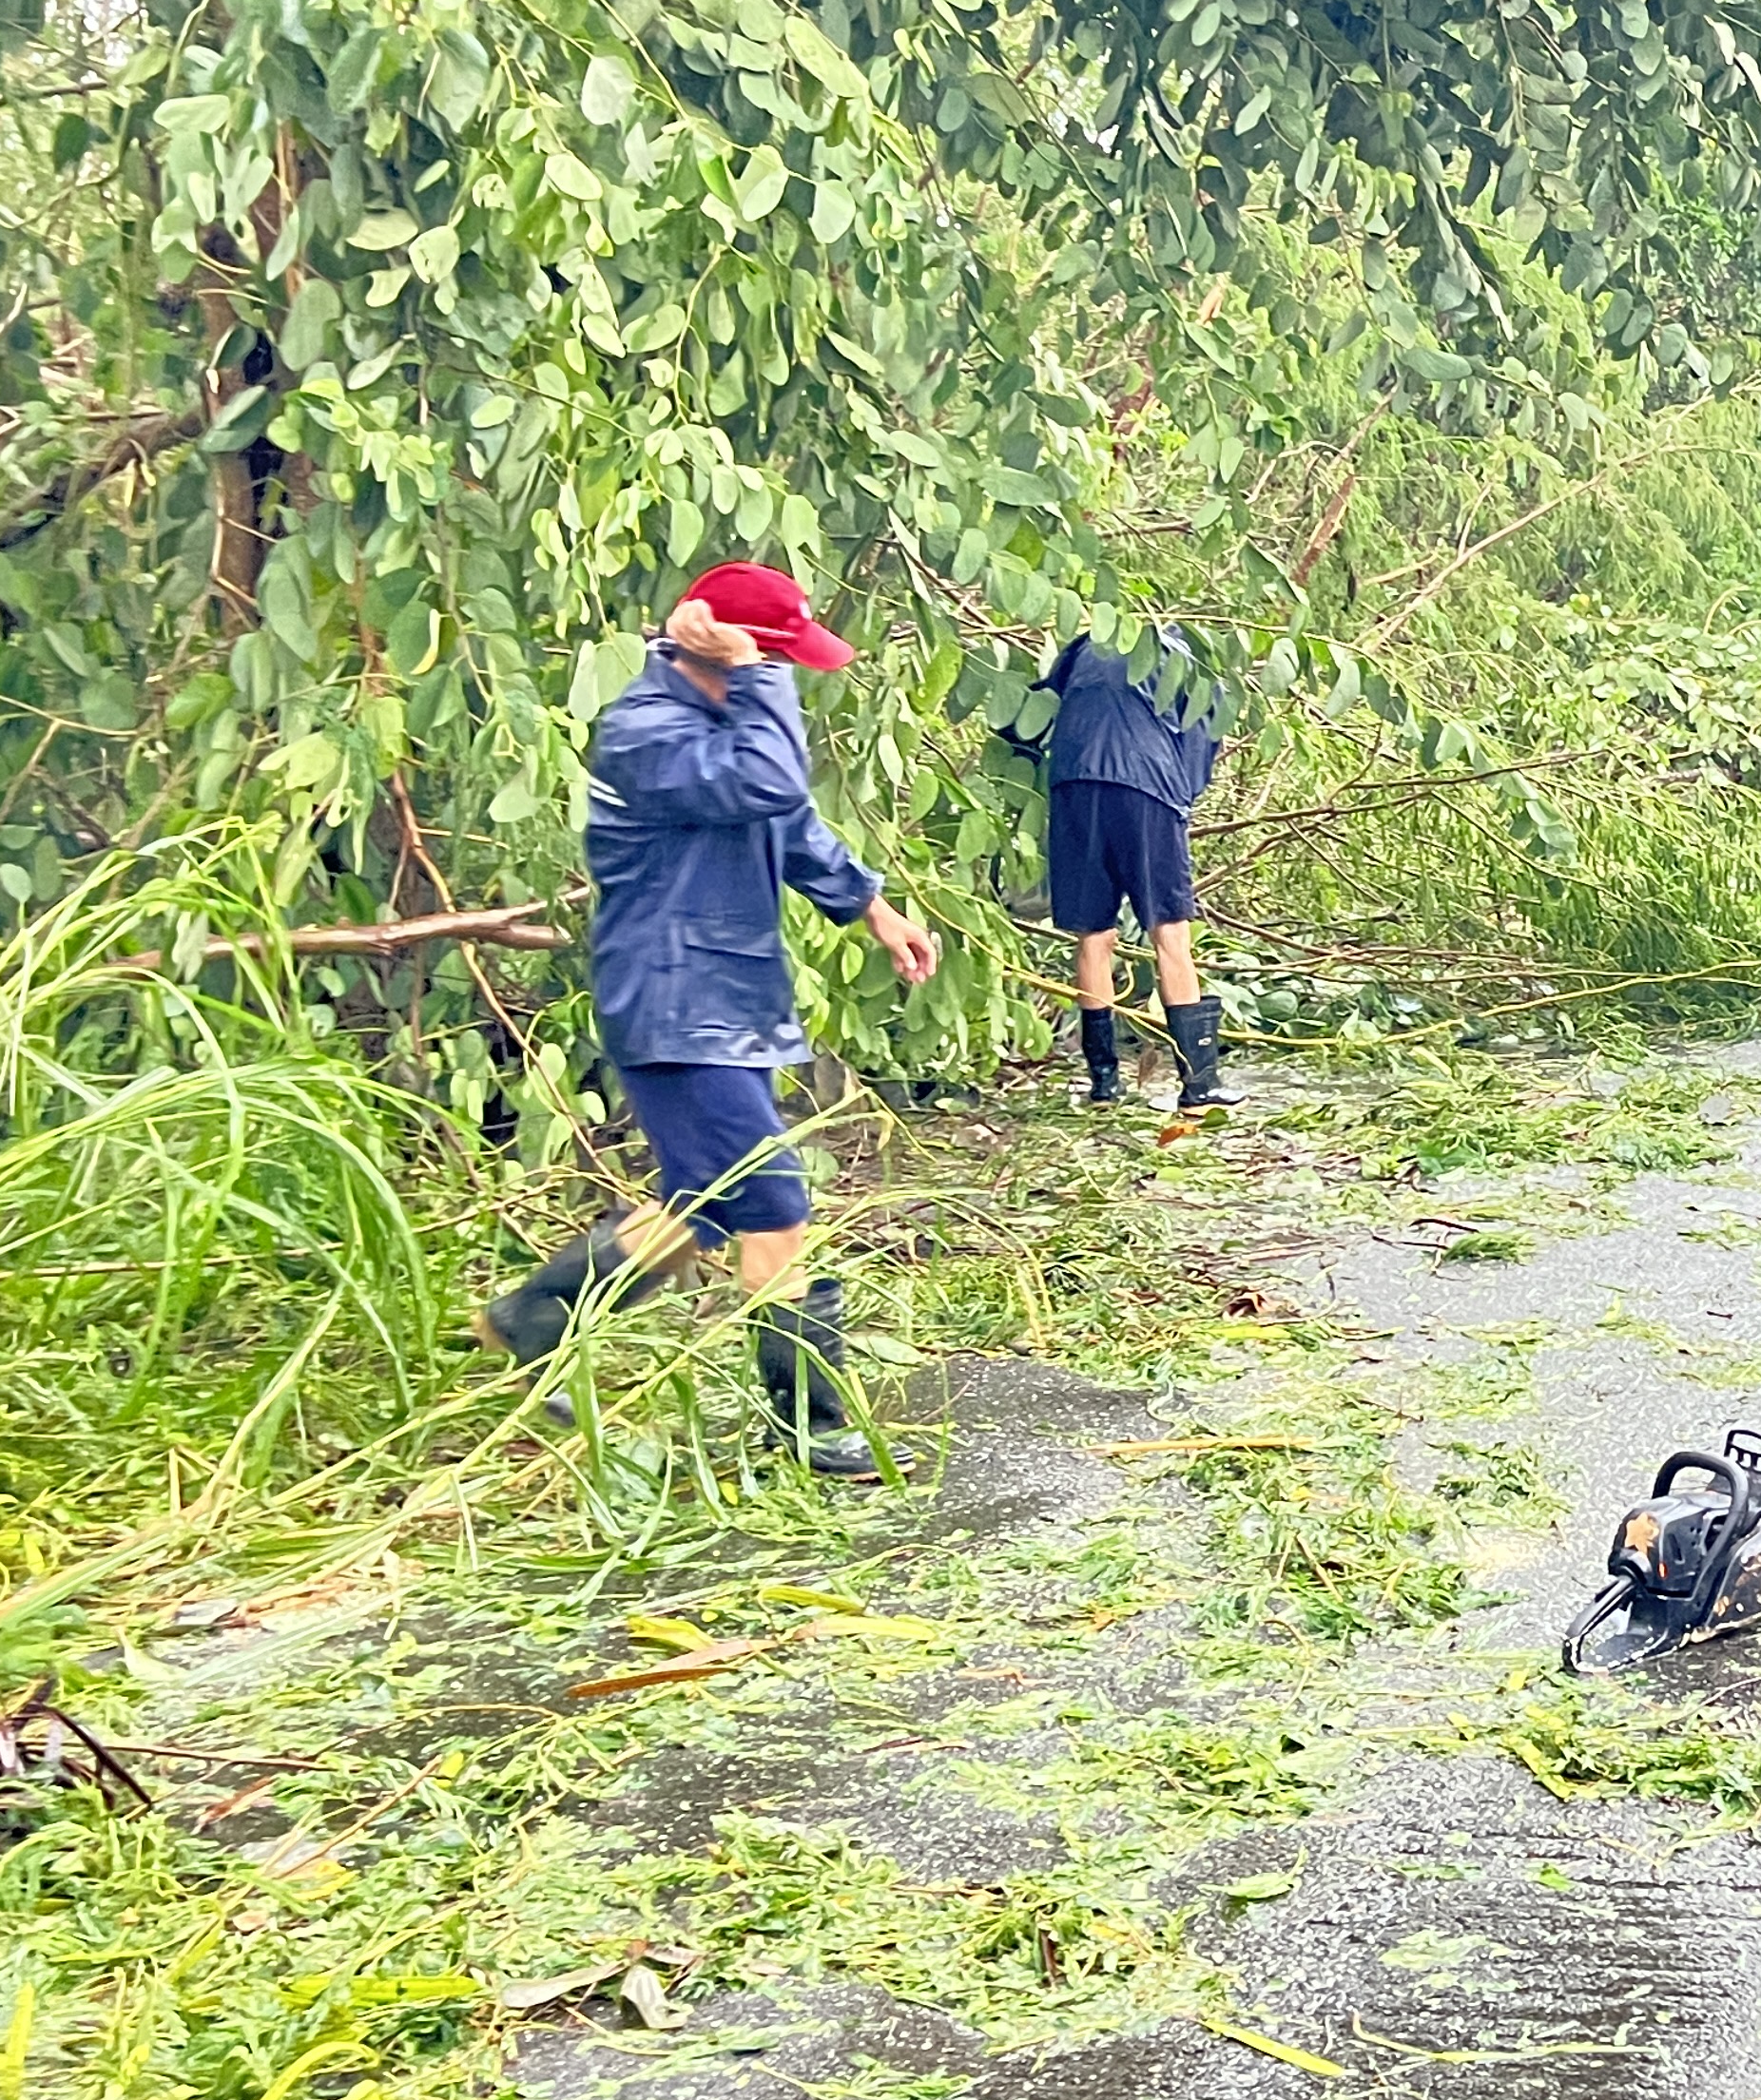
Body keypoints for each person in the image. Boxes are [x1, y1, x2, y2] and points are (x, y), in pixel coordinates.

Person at [474, 562, 942, 1479]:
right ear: (719, 650)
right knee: (772, 1202)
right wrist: (760, 678)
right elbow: (769, 783)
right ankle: (808, 1424)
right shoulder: (646, 732)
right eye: (779, 663)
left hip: (717, 999)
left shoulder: (720, 726)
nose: (791, 679)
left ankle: (535, 1314)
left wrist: (875, 908)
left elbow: (791, 824)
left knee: (710, 1204)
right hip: (673, 1001)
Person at [1013, 628, 1224, 1106]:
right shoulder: (1184, 655)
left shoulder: (1082, 647)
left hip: (1073, 784)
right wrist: (1182, 796)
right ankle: (1200, 1083)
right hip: (1146, 786)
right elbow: (1203, 731)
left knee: (1094, 933)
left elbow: (1031, 715)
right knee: (1169, 930)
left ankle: (1104, 1082)